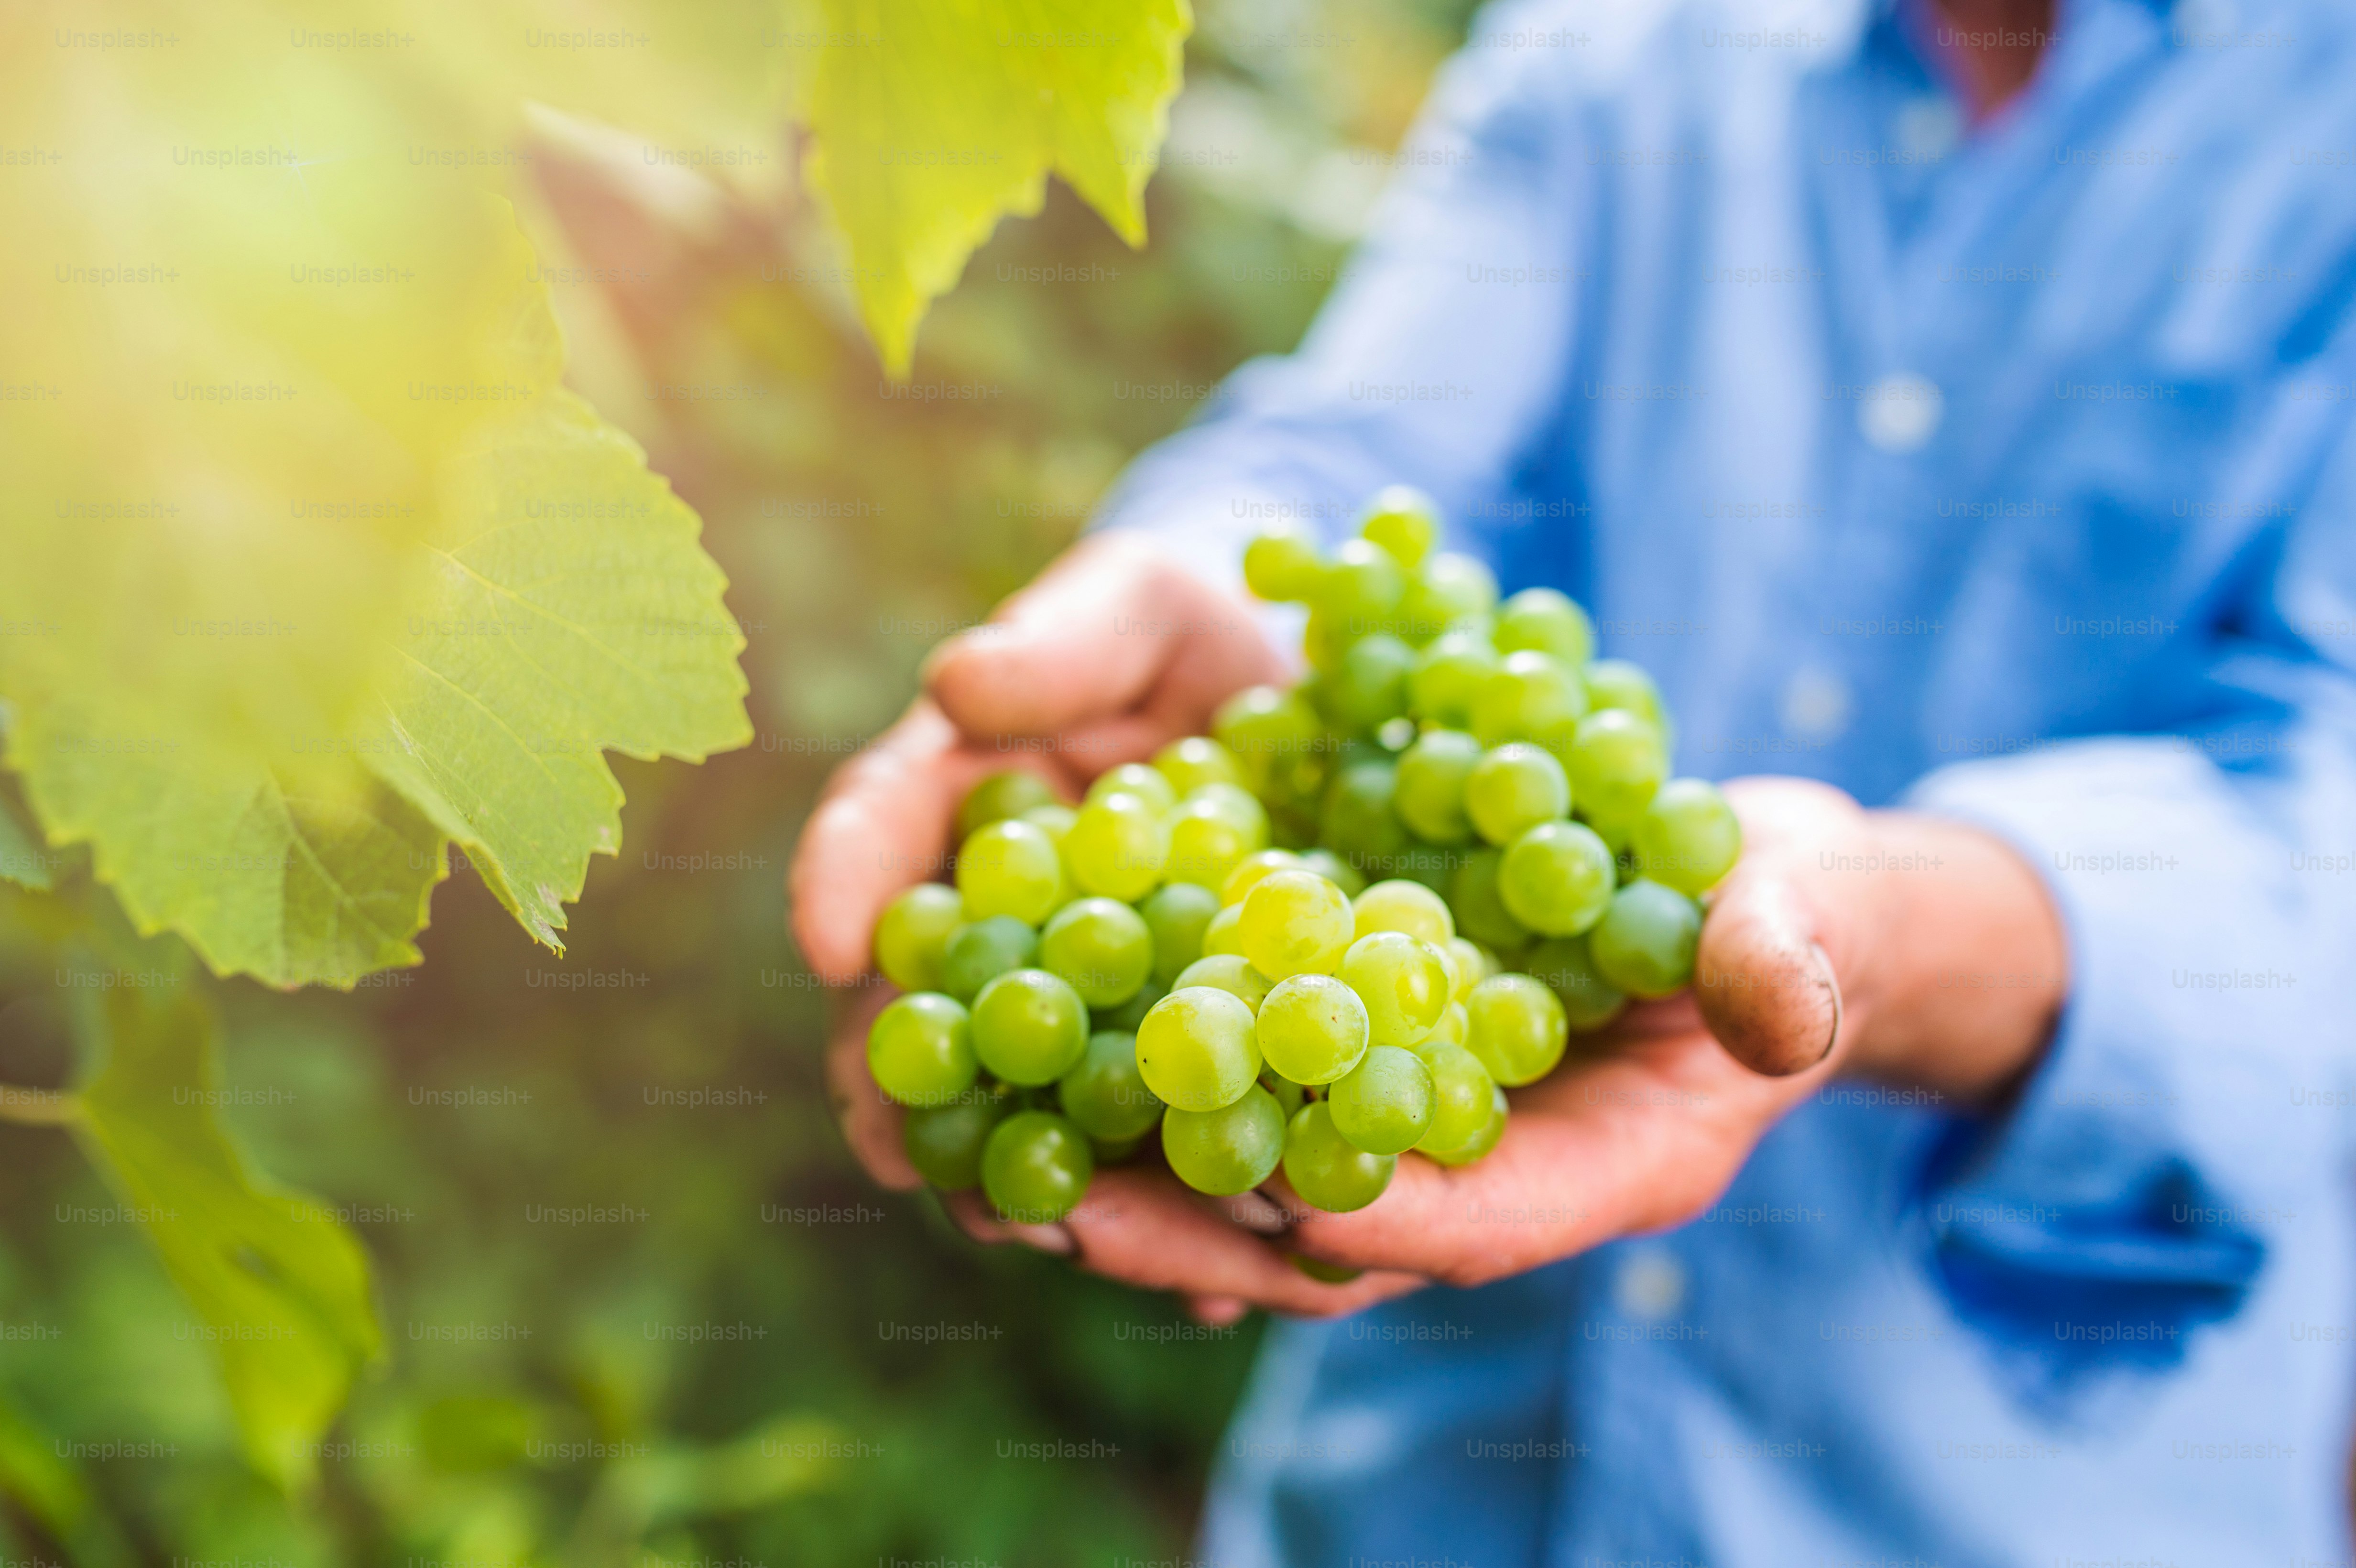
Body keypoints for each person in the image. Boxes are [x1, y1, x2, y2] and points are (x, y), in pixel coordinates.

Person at [791, 0, 2356, 1557]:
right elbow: (1354, 460)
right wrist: (1194, 586)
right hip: (1395, 1500)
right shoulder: (1617, 43)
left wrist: (1916, 933)